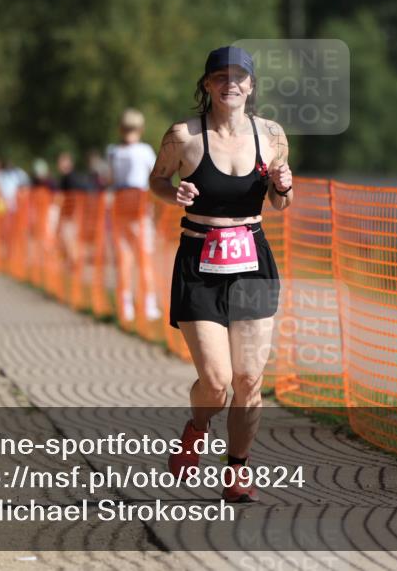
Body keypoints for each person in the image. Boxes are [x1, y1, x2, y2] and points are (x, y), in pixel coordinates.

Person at [149, 46, 292, 502]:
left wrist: (284, 187)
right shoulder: (184, 136)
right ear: (207, 84)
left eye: (239, 77)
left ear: (251, 85)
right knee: (217, 381)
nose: (230, 84)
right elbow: (157, 180)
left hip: (252, 261)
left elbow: (280, 201)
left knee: (249, 379)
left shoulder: (271, 135)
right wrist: (175, 193)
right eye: (220, 77)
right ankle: (196, 429)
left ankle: (237, 471)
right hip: (199, 261)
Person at [108, 108, 161, 322]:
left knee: (124, 260)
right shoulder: (144, 151)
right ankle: (148, 305)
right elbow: (156, 177)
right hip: (139, 208)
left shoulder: (113, 151)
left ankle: (126, 305)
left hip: (119, 206)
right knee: (144, 259)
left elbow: (110, 179)